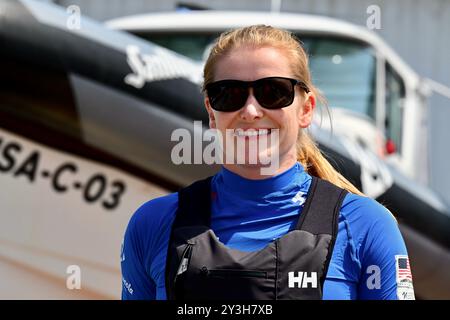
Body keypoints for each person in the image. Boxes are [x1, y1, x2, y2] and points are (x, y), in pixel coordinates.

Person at [120, 25, 415, 300]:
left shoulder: (366, 226)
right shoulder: (153, 224)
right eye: (229, 94)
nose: (250, 110)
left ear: (306, 109)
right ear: (211, 111)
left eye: (273, 92)